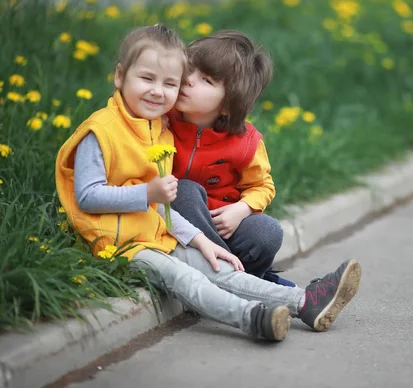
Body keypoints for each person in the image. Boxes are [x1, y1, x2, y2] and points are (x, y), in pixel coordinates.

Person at [55, 25, 362, 342]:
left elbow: (161, 207)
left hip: (160, 231)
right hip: (119, 244)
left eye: (169, 83)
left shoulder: (157, 129)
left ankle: (305, 302)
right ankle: (252, 317)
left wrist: (202, 241)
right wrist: (149, 194)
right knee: (187, 277)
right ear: (120, 77)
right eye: (147, 79)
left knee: (218, 265)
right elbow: (89, 197)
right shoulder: (106, 130)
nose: (159, 91)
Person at [167, 30, 294, 287]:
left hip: (223, 224)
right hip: (177, 227)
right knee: (184, 190)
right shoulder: (161, 118)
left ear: (227, 105)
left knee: (267, 231)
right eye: (189, 70)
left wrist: (241, 209)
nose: (189, 81)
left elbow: (262, 186)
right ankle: (242, 280)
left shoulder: (246, 142)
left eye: (206, 80)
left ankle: (233, 276)